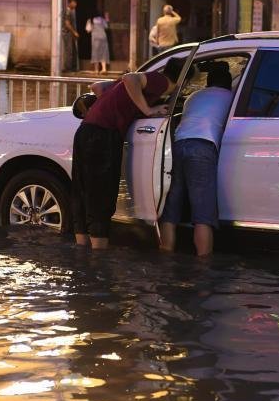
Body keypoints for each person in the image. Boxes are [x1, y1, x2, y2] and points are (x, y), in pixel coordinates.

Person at [71, 57, 189, 250]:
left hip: (86, 130)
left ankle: (83, 250)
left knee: (82, 192)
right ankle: (98, 256)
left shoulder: (142, 84)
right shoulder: (162, 82)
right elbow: (130, 79)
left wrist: (115, 106)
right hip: (104, 135)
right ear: (182, 79)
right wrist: (148, 110)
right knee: (102, 195)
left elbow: (97, 87)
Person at [159, 62, 234, 257]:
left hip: (179, 144)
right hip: (203, 147)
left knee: (172, 203)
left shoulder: (193, 97)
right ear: (227, 84)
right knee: (203, 211)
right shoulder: (231, 97)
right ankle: (203, 266)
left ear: (208, 83)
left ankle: (165, 252)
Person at [62, 0, 80, 72]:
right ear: (70, 3)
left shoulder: (71, 11)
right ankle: (68, 68)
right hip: (68, 33)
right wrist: (74, 32)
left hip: (70, 34)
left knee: (73, 50)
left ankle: (73, 67)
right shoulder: (67, 11)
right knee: (69, 51)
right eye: (74, 3)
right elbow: (67, 24)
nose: (75, 4)